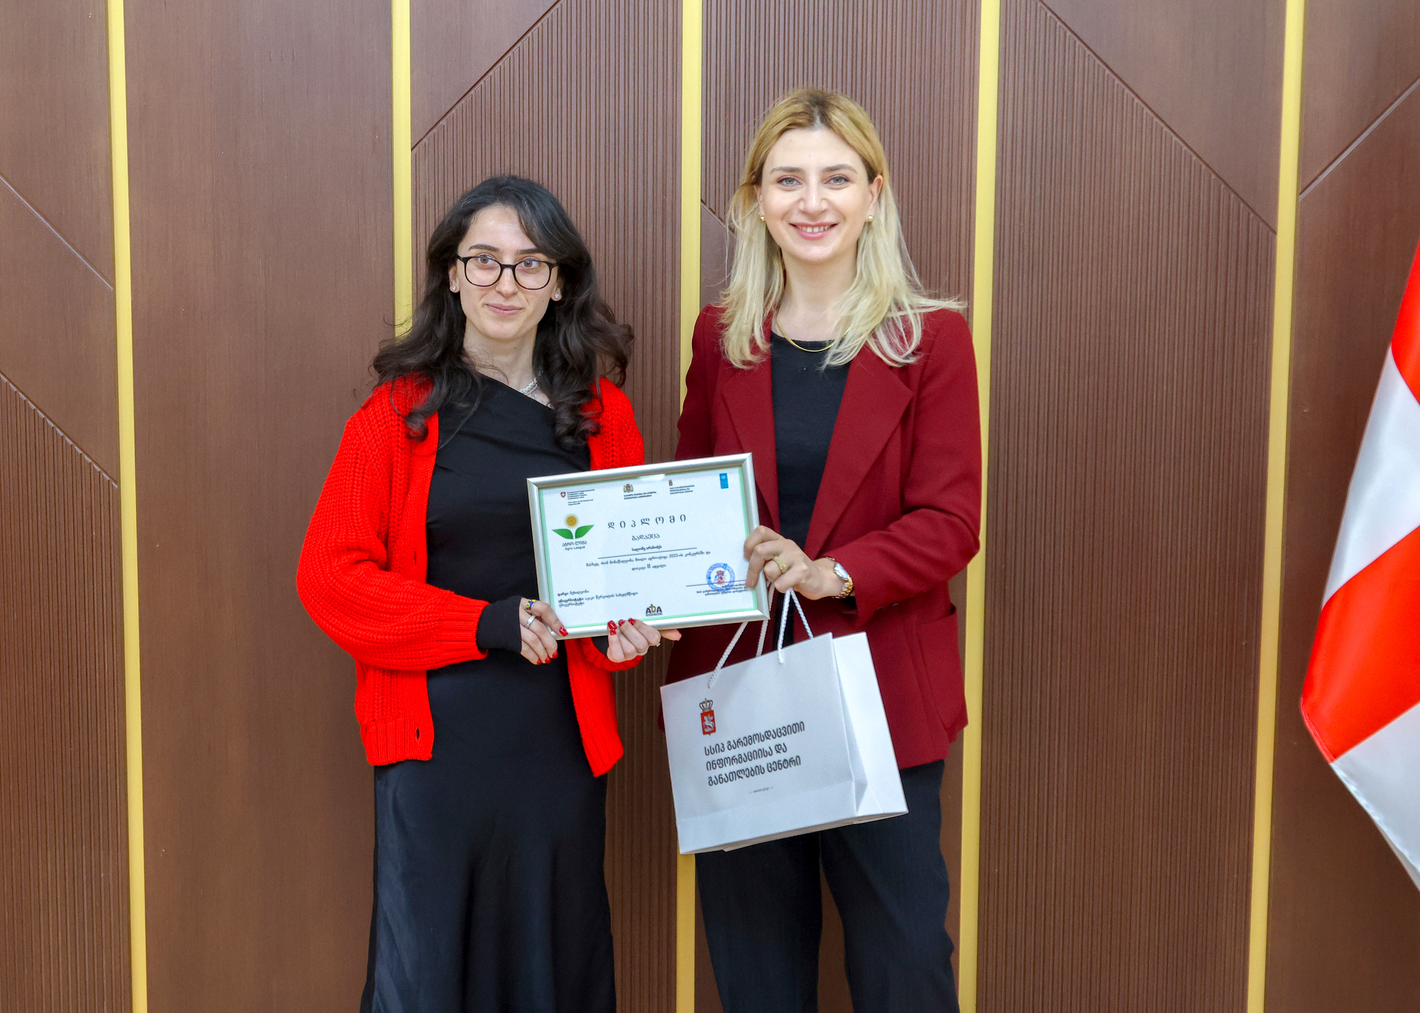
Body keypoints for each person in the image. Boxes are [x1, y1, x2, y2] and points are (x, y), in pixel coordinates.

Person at [297, 175, 678, 1013]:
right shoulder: (395, 416)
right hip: (436, 747)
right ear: (452, 273)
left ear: (560, 283)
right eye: (484, 260)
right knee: (431, 971)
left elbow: (621, 583)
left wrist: (622, 635)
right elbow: (331, 578)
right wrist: (482, 624)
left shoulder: (604, 416)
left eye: (530, 264)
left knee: (553, 965)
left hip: (557, 746)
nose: (506, 283)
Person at [666, 89, 981, 1012]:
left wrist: (831, 572)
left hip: (882, 694)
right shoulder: (721, 338)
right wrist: (642, 594)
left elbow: (952, 520)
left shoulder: (931, 340)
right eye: (788, 180)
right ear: (755, 201)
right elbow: (690, 502)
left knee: (904, 965)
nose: (812, 202)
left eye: (836, 179)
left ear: (874, 196)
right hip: (740, 697)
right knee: (757, 975)